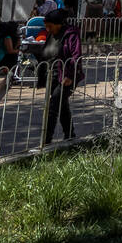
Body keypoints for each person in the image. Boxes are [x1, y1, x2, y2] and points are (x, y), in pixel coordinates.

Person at [40, 9, 83, 145]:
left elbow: (76, 56)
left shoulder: (71, 35)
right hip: (51, 76)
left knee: (53, 105)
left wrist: (70, 75)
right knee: (61, 105)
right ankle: (70, 134)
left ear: (58, 24)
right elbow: (46, 53)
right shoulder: (51, 35)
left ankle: (46, 140)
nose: (47, 28)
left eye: (50, 26)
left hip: (67, 77)